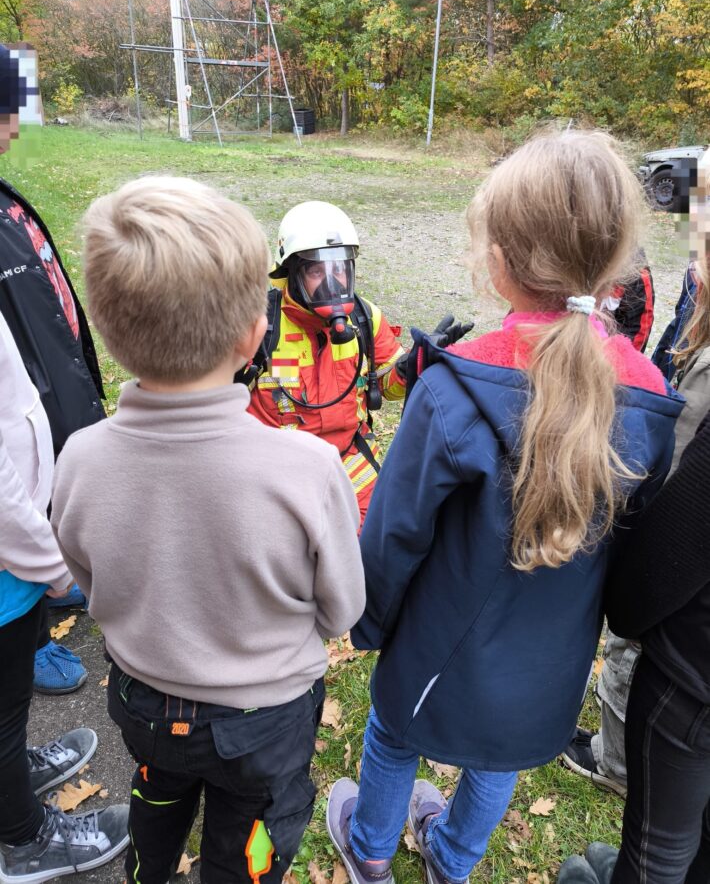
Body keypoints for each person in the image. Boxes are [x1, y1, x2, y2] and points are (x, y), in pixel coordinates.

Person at [324, 131, 684, 884]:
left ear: (498, 262)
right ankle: (452, 858)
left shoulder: (453, 391)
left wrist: (368, 622)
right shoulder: (651, 395)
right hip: (552, 666)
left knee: (393, 738)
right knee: (503, 755)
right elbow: (639, 545)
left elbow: (391, 536)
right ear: (615, 260)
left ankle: (372, 850)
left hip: (433, 654)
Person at [50, 176, 366, 884]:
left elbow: (87, 579)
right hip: (265, 723)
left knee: (158, 790)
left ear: (106, 330)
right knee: (250, 832)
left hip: (142, 705)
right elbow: (342, 608)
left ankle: (146, 864)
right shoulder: (309, 469)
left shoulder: (81, 457)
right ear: (255, 331)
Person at [561, 148, 709, 799]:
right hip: (668, 490)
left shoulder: (643, 283)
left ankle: (614, 762)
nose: (693, 216)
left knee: (629, 649)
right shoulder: (686, 290)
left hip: (675, 540)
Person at [0, 309, 130, 883]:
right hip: (10, 552)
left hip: (17, 549)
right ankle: (24, 840)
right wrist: (52, 565)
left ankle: (10, 781)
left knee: (9, 699)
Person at [245, 200, 472, 525]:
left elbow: (388, 389)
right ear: (291, 273)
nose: (332, 282)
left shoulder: (366, 319)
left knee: (380, 542)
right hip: (275, 471)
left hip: (349, 461)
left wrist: (412, 366)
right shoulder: (258, 324)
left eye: (339, 268)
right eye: (316, 270)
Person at [0, 43, 105, 696]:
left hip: (48, 402)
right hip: (20, 426)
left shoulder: (5, 195)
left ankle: (45, 584)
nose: (14, 127)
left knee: (48, 497)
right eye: (5, 112)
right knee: (23, 504)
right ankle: (27, 637)